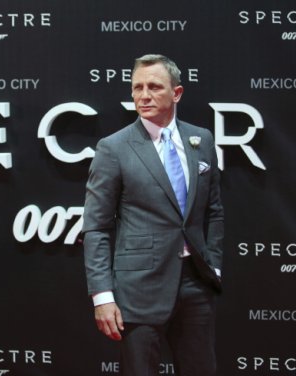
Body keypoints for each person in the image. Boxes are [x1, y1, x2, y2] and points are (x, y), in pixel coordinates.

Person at [83, 54, 224, 376]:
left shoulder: (201, 139)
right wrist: (102, 296)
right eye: (137, 88)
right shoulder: (114, 148)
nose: (143, 95)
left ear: (176, 93)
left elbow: (214, 212)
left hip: (196, 283)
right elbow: (96, 227)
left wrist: (213, 264)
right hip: (138, 287)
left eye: (154, 87)